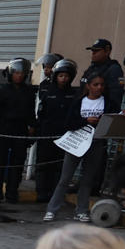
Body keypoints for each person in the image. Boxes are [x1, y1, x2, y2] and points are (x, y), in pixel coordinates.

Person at [41, 72, 111, 224]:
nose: (99, 88)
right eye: (95, 84)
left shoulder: (108, 102)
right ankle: (52, 209)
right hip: (77, 142)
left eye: (101, 85)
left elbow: (114, 119)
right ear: (88, 86)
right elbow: (69, 123)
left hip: (96, 143)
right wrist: (85, 121)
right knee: (65, 178)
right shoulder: (79, 102)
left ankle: (81, 210)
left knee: (87, 179)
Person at [0, 58, 37, 210]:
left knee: (17, 163)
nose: (19, 76)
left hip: (20, 130)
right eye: (16, 72)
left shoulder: (29, 91)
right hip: (3, 130)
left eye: (22, 73)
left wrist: (32, 128)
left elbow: (31, 112)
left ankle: (12, 192)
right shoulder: (2, 91)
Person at [33, 59, 81, 203]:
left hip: (64, 135)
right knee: (43, 163)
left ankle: (55, 193)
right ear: (56, 76)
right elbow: (41, 113)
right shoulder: (48, 92)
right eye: (61, 76)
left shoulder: (74, 94)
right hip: (47, 134)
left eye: (66, 76)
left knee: (59, 166)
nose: (63, 79)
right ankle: (41, 192)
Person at [79, 37, 124, 114]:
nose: (93, 53)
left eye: (96, 51)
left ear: (107, 51)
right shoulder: (92, 68)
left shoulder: (114, 69)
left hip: (101, 111)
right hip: (85, 109)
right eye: (92, 51)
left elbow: (116, 95)